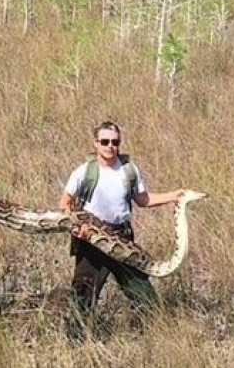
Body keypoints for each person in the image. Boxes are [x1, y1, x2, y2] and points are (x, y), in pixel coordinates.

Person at [58, 120, 183, 337]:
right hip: (91, 241)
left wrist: (174, 196)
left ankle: (158, 336)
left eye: (115, 142)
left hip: (122, 239)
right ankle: (76, 345)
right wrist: (79, 228)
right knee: (83, 295)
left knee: (143, 293)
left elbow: (143, 200)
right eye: (104, 141)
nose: (110, 146)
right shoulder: (83, 172)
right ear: (95, 144)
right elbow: (64, 204)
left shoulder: (129, 171)